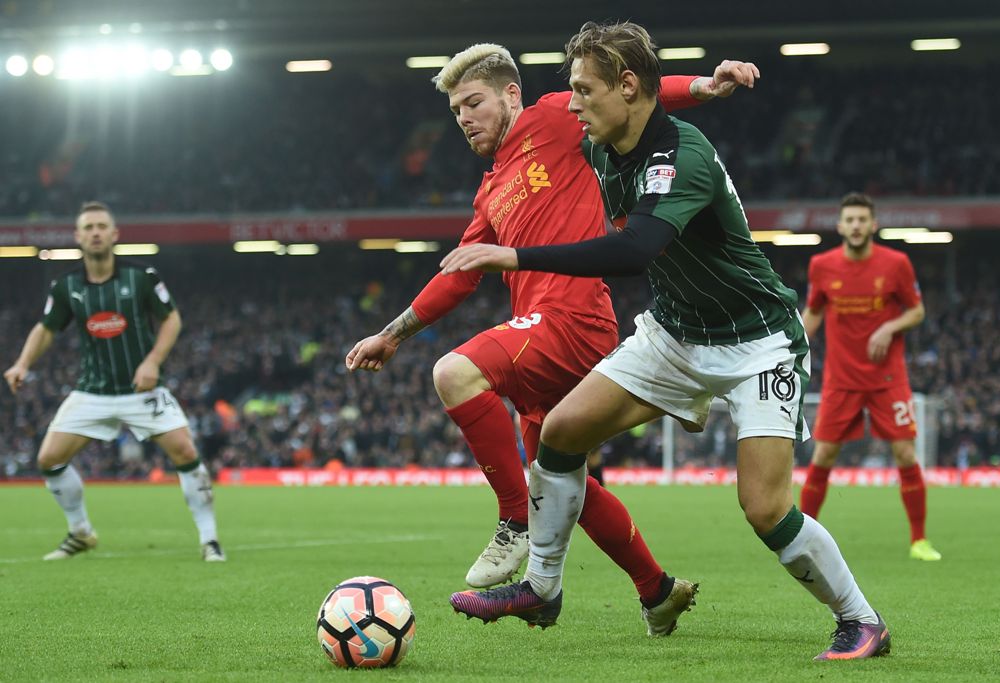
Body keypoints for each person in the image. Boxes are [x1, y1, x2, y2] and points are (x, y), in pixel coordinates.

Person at [441, 21, 889, 661]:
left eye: (582, 91)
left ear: (626, 88)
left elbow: (636, 248)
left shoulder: (684, 155)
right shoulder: (600, 145)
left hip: (757, 341)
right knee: (562, 433)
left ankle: (861, 620)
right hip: (676, 334)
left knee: (765, 509)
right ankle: (541, 585)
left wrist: (512, 255)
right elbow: (655, 92)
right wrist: (704, 83)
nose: (571, 104)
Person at [347, 43, 758, 634]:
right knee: (566, 483)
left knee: (455, 373)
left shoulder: (550, 117)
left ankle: (515, 521)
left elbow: (629, 93)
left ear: (510, 95)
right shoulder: (490, 193)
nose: (464, 118)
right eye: (456, 110)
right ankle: (658, 591)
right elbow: (459, 274)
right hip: (542, 334)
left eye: (474, 102)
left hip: (572, 321)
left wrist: (702, 88)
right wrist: (392, 333)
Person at [3, 201, 225, 562]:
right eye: (88, 227)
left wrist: (153, 361)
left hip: (144, 390)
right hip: (92, 391)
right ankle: (80, 532)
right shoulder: (67, 286)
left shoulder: (142, 276)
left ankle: (209, 539)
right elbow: (46, 329)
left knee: (185, 451)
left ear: (114, 234)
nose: (94, 232)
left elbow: (172, 320)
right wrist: (22, 363)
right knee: (48, 459)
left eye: (101, 226)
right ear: (77, 236)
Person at [800, 192, 940, 561]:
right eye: (851, 220)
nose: (857, 225)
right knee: (824, 454)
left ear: (874, 224)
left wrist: (888, 328)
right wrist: (793, 346)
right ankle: (801, 541)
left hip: (887, 378)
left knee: (905, 453)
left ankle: (919, 540)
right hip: (841, 378)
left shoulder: (896, 264)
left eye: (863, 219)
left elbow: (918, 311)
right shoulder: (822, 266)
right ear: (840, 226)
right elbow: (812, 314)